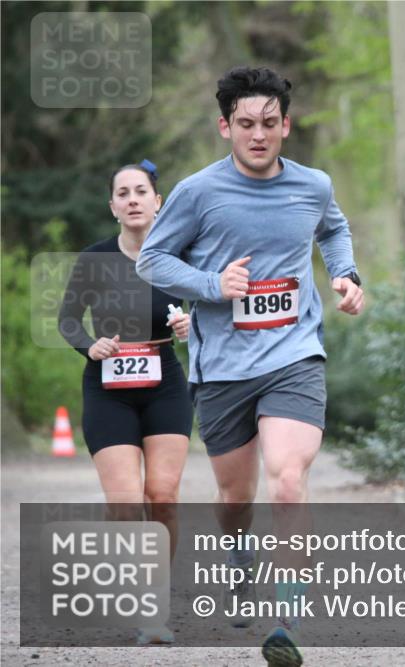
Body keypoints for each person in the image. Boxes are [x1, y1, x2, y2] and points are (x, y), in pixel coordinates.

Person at [136, 66, 363, 666]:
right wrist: (213, 284)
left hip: (294, 355)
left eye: (269, 123)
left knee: (288, 479)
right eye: (245, 124)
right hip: (224, 369)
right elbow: (152, 260)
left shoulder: (312, 185)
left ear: (286, 125)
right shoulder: (197, 192)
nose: (258, 135)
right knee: (235, 498)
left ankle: (286, 619)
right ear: (224, 127)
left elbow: (334, 229)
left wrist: (346, 274)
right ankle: (241, 564)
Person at [58, 159, 193, 645]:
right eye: (123, 193)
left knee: (162, 495)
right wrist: (87, 345)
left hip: (165, 384)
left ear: (159, 201)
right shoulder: (95, 260)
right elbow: (69, 320)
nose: (133, 199)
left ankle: (154, 604)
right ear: (113, 206)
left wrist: (188, 323)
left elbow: (206, 305)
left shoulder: (179, 256)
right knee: (124, 502)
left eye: (142, 191)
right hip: (107, 388)